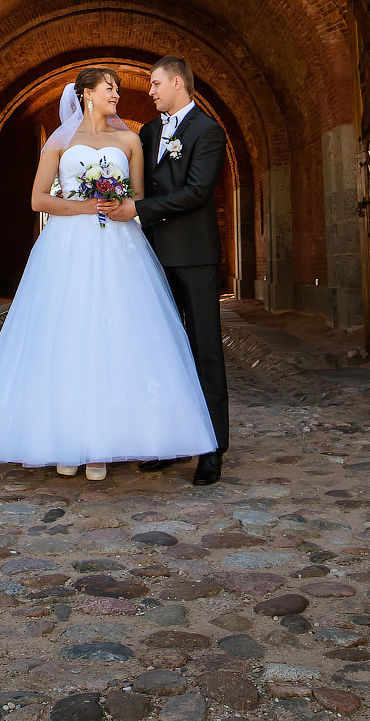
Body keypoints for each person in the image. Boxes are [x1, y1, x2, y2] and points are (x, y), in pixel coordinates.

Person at [0, 66, 217, 479]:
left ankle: (102, 445)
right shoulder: (60, 141)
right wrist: (84, 206)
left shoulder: (130, 140)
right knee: (66, 335)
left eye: (117, 89)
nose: (116, 94)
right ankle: (66, 440)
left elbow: (138, 198)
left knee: (114, 338)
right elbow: (37, 199)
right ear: (86, 95)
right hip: (67, 248)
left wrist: (119, 205)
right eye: (109, 88)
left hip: (119, 247)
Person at [134, 54, 228, 485]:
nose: (149, 91)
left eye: (154, 84)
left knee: (204, 350)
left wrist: (138, 211)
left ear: (177, 82)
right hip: (154, 256)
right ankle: (169, 441)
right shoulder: (149, 131)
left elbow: (196, 191)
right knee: (163, 354)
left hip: (195, 256)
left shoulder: (209, 131)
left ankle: (212, 448)